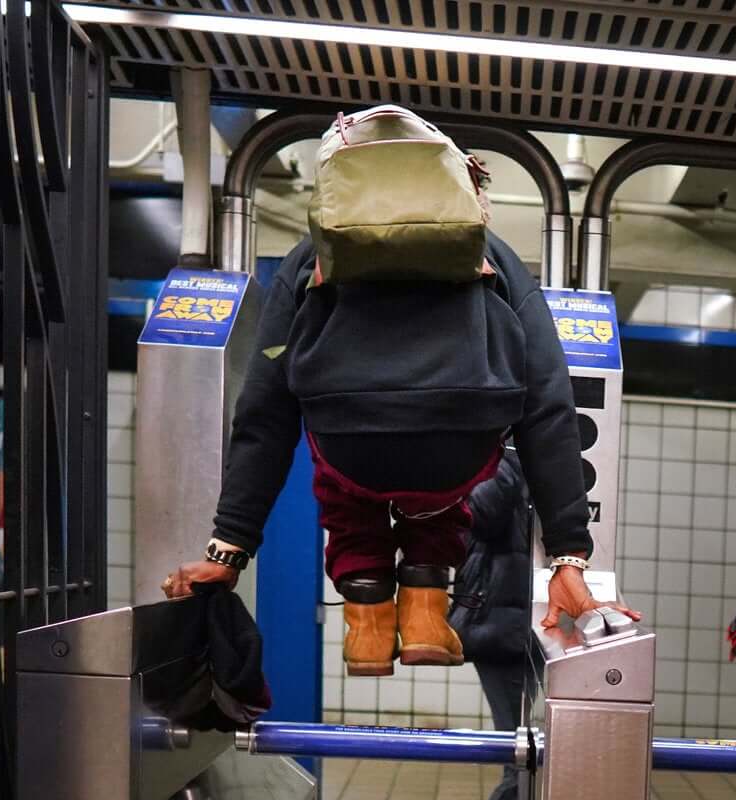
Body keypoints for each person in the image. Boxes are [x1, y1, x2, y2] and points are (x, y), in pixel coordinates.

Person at [159, 228, 627, 669]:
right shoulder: (492, 253)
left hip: (349, 446)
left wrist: (230, 547)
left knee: (347, 493)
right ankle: (425, 618)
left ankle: (368, 629)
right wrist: (568, 554)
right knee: (438, 492)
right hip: (458, 450)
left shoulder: (312, 253)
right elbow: (549, 405)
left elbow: (265, 411)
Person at [411, 446, 532, 800]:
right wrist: (517, 452)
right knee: (530, 765)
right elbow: (480, 511)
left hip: (526, 623)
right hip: (505, 624)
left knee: (526, 764)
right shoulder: (501, 445)